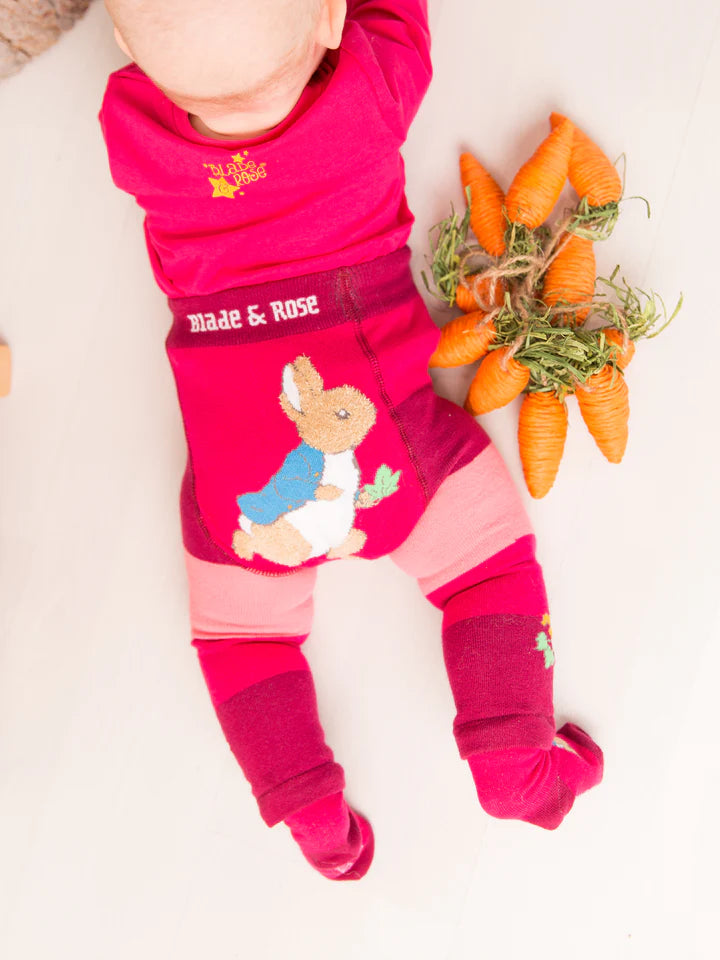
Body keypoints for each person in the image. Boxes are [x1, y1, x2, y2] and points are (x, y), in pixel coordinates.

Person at [98, 0, 603, 882]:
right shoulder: (366, 86)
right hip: (381, 446)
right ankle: (511, 759)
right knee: (482, 570)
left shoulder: (135, 127)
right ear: (333, 19)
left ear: (124, 49)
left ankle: (305, 806)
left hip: (239, 498)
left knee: (242, 644)